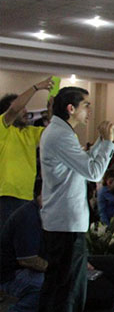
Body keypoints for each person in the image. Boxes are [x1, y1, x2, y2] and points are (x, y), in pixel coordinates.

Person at [32, 86, 114, 312]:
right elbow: (93, 172)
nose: (89, 110)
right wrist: (107, 143)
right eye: (86, 105)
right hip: (66, 225)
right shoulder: (61, 135)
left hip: (60, 222)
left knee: (54, 288)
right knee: (69, 293)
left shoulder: (58, 132)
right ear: (71, 108)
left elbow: (82, 164)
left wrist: (99, 144)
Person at [0, 76, 53, 229]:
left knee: (22, 240)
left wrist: (51, 111)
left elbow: (53, 133)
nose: (25, 111)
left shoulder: (30, 132)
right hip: (6, 196)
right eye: (22, 107)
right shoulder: (3, 128)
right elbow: (14, 109)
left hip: (27, 196)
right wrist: (36, 87)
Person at [0, 179, 45, 312]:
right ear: (42, 194)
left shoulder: (42, 213)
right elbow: (28, 260)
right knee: (44, 283)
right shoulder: (28, 217)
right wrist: (57, 268)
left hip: (22, 267)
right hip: (10, 273)